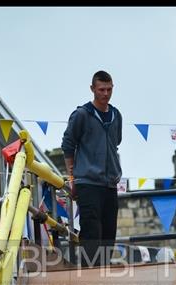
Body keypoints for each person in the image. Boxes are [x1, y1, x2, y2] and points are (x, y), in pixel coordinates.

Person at [61, 70, 123, 267]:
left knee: (109, 234)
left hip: (110, 183)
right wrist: (72, 179)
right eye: (101, 89)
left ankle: (103, 272)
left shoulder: (116, 115)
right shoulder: (81, 115)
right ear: (92, 89)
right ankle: (90, 275)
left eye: (109, 89)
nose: (106, 94)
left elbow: (116, 142)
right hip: (87, 182)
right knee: (91, 232)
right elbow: (68, 146)